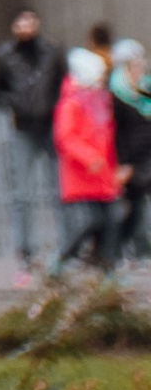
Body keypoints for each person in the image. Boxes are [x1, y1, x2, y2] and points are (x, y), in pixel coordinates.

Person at [0, 9, 67, 272]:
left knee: (58, 190)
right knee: (22, 193)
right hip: (23, 128)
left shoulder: (52, 51)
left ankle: (65, 246)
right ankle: (25, 249)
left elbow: (63, 83)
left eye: (29, 21)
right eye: (20, 21)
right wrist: (15, 102)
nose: (25, 26)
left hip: (50, 126)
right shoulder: (5, 55)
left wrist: (55, 107)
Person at [55, 46, 122, 268]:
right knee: (91, 221)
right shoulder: (71, 104)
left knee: (111, 221)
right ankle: (64, 259)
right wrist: (90, 157)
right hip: (82, 176)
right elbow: (66, 138)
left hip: (102, 175)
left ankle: (106, 266)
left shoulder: (100, 102)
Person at [109, 41, 151, 260]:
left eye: (141, 62)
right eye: (134, 64)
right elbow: (117, 132)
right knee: (135, 207)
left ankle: (141, 250)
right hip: (132, 158)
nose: (140, 68)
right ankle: (121, 249)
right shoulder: (117, 94)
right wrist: (123, 163)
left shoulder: (147, 88)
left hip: (148, 153)